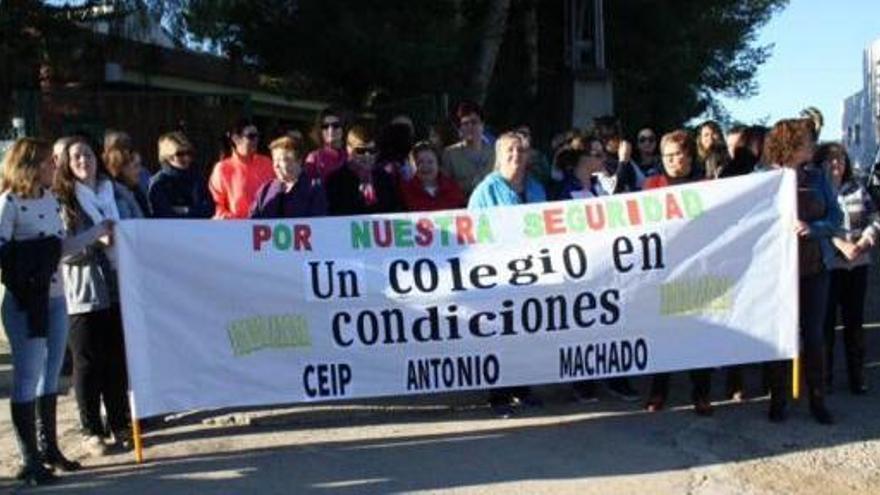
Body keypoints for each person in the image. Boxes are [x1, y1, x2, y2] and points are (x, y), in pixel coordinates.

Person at [0, 138, 111, 485]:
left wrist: (96, 233)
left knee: (50, 375)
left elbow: (60, 248)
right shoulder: (9, 203)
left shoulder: (49, 199)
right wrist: (33, 255)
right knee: (28, 375)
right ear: (30, 165)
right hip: (25, 302)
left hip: (57, 297)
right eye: (48, 162)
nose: (54, 167)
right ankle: (29, 457)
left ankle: (49, 448)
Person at [54, 136, 137, 455]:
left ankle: (120, 423)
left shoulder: (114, 192)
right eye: (75, 157)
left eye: (87, 154)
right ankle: (91, 428)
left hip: (118, 284)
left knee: (116, 359)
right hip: (84, 290)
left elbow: (136, 225)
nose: (82, 161)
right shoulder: (64, 200)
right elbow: (62, 250)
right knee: (87, 362)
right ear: (66, 164)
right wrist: (96, 238)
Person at [762, 118, 841, 424]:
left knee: (814, 335)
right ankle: (778, 397)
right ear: (791, 144)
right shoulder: (763, 178)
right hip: (777, 271)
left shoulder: (818, 177)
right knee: (779, 334)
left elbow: (835, 217)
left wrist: (814, 227)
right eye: (807, 140)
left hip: (814, 267)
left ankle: (817, 399)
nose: (812, 144)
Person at [468, 131, 546, 417]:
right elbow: (471, 234)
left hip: (531, 272)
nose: (516, 155)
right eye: (510, 151)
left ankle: (521, 388)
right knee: (499, 334)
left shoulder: (536, 188)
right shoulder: (485, 191)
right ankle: (498, 395)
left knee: (525, 331)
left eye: (521, 150)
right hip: (496, 275)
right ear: (499, 156)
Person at [643, 130, 713, 416]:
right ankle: (659, 392)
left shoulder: (707, 186)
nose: (672, 161)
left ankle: (702, 394)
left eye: (677, 154)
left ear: (689, 155)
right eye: (667, 156)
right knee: (665, 333)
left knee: (699, 334)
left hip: (697, 271)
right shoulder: (652, 186)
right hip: (664, 272)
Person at [819, 142, 878, 395]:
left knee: (855, 323)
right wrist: (841, 244)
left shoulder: (858, 189)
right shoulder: (818, 191)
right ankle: (825, 377)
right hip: (830, 267)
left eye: (841, 160)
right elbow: (817, 224)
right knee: (827, 324)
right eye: (832, 160)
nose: (837, 165)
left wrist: (865, 240)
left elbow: (874, 217)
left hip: (858, 265)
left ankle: (857, 376)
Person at [325, 125, 402, 215]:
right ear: (348, 149)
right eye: (361, 151)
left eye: (372, 150)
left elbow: (394, 211)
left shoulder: (385, 178)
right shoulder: (335, 180)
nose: (367, 156)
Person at [209, 119, 274, 219]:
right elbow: (216, 203)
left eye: (257, 136)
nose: (256, 140)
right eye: (251, 136)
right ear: (236, 139)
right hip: (236, 228)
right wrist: (227, 217)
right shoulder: (222, 168)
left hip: (264, 226)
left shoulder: (267, 163)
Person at [250, 135, 328, 218]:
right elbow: (253, 222)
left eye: (282, 160)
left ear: (298, 161)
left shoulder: (313, 189)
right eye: (275, 160)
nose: (276, 165)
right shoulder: (265, 190)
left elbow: (318, 224)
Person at [148, 132, 215, 219]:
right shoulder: (159, 183)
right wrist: (193, 211)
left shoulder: (197, 178)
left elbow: (209, 209)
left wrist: (185, 210)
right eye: (180, 154)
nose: (186, 158)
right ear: (168, 157)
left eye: (188, 153)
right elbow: (164, 213)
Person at [442, 100, 494, 197]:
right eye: (465, 123)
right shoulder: (450, 154)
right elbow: (446, 187)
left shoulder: (495, 152)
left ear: (482, 125)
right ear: (460, 128)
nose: (470, 127)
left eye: (474, 122)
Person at [399, 141, 465, 212]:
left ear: (438, 164)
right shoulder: (405, 191)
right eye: (420, 162)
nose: (425, 166)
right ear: (413, 166)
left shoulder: (452, 188)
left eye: (430, 162)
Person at [103, 139, 149, 216]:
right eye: (135, 166)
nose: (140, 170)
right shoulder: (117, 198)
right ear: (121, 168)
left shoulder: (138, 191)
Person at [304, 107, 348, 182]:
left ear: (343, 128)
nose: (331, 130)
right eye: (325, 126)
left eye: (336, 125)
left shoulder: (351, 156)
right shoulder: (314, 158)